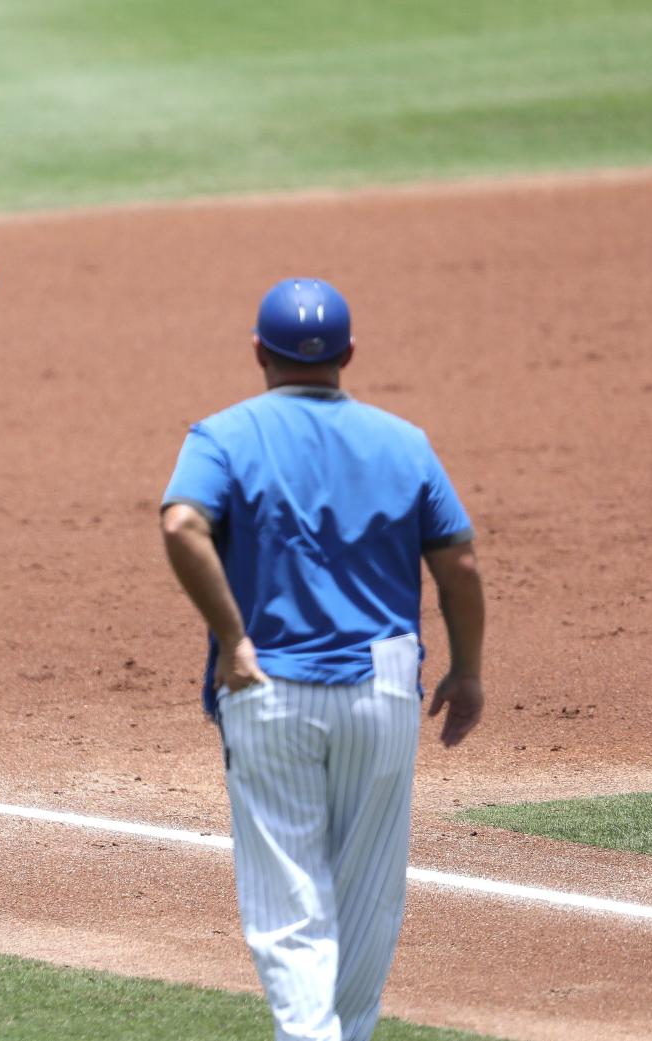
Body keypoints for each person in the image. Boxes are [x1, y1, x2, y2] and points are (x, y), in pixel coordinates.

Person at [160, 278, 485, 1041]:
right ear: (347, 355)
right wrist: (467, 669)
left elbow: (182, 525)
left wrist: (232, 637)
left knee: (289, 904)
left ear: (258, 353)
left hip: (268, 686)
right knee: (368, 895)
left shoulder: (224, 433)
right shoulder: (403, 439)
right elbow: (460, 564)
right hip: (383, 690)